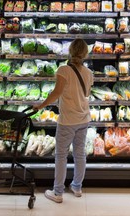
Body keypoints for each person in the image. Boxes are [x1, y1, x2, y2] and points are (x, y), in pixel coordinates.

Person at [33, 39, 93, 203]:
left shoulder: (63, 70)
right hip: (83, 118)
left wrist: (40, 106)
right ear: (85, 53)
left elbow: (56, 93)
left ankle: (58, 192)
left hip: (67, 120)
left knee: (61, 156)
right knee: (80, 154)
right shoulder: (89, 73)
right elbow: (86, 94)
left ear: (70, 51)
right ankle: (77, 187)